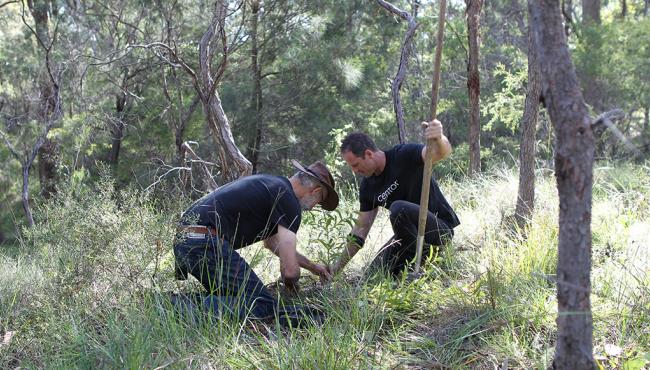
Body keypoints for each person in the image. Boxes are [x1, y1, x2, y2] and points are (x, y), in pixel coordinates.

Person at [173, 160, 338, 320]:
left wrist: (313, 267)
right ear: (315, 191)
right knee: (263, 305)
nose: (315, 206)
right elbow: (289, 272)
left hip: (188, 240)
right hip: (204, 242)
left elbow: (272, 243)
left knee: (233, 296)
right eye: (320, 200)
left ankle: (172, 303)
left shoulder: (274, 186)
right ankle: (172, 307)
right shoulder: (289, 200)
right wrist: (292, 288)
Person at [330, 119, 460, 277]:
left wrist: (439, 138)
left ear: (368, 154)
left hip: (439, 230)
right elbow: (360, 230)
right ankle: (404, 269)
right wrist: (336, 269)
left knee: (398, 208)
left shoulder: (403, 155)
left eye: (356, 165)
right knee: (372, 275)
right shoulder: (367, 188)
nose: (355, 171)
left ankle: (422, 263)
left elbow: (440, 153)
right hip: (408, 238)